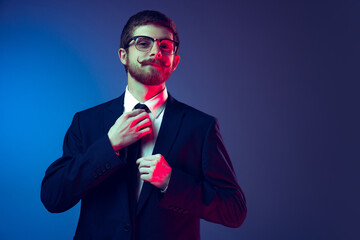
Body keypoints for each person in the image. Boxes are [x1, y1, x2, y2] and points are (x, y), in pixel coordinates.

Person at [41, 10, 246, 240]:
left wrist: (172, 182)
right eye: (143, 43)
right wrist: (108, 146)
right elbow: (53, 197)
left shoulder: (200, 127)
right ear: (123, 55)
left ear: (175, 61)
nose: (156, 51)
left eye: (165, 46)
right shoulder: (86, 122)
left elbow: (234, 210)